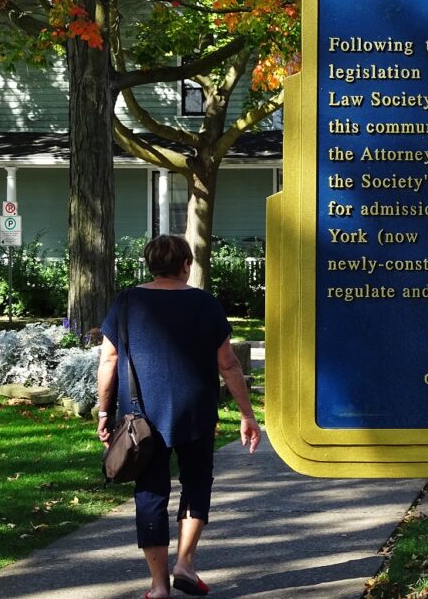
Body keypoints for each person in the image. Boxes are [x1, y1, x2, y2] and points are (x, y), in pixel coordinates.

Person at [96, 235, 261, 599]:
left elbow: (108, 360)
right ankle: (185, 564)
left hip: (140, 418)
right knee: (197, 482)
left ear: (149, 263)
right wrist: (247, 415)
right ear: (186, 264)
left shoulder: (126, 301)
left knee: (150, 491)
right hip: (196, 412)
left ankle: (158, 586)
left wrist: (105, 411)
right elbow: (228, 363)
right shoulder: (204, 303)